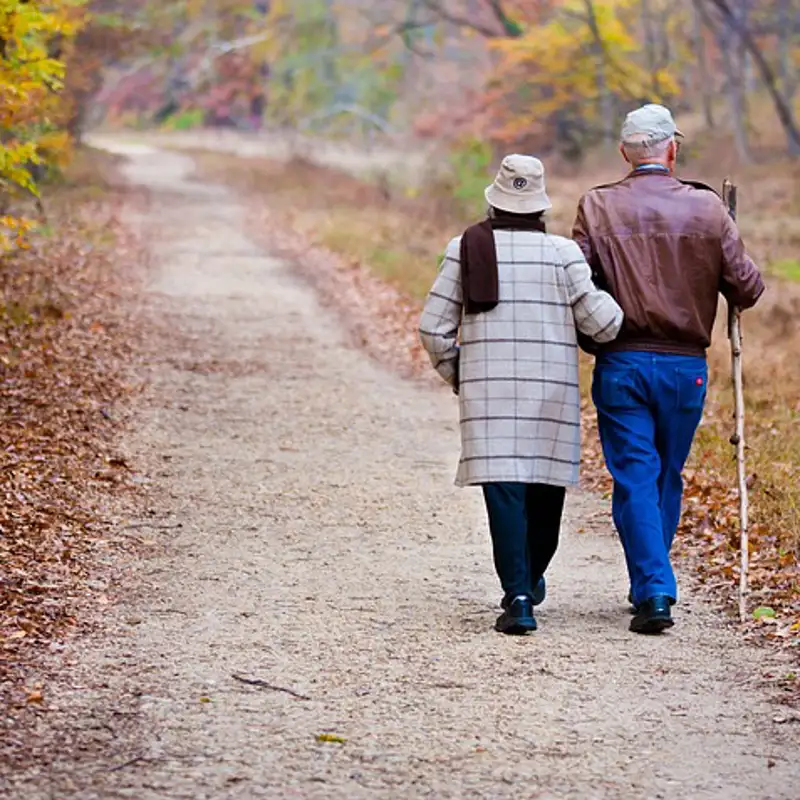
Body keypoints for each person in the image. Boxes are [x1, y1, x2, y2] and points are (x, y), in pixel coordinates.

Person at [571, 104, 765, 635]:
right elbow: (748, 288)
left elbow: (575, 282)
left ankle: (652, 585)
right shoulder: (706, 209)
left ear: (624, 153)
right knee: (664, 473)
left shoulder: (596, 206)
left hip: (622, 359)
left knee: (635, 474)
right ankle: (654, 584)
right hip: (685, 368)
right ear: (672, 150)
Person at [419, 154, 624, 635]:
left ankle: (518, 596)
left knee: (504, 493)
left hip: (488, 397)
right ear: (540, 208)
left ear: (493, 202)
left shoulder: (464, 249)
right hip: (549, 394)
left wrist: (460, 374)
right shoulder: (563, 254)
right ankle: (528, 581)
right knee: (543, 493)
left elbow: (433, 328)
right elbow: (605, 324)